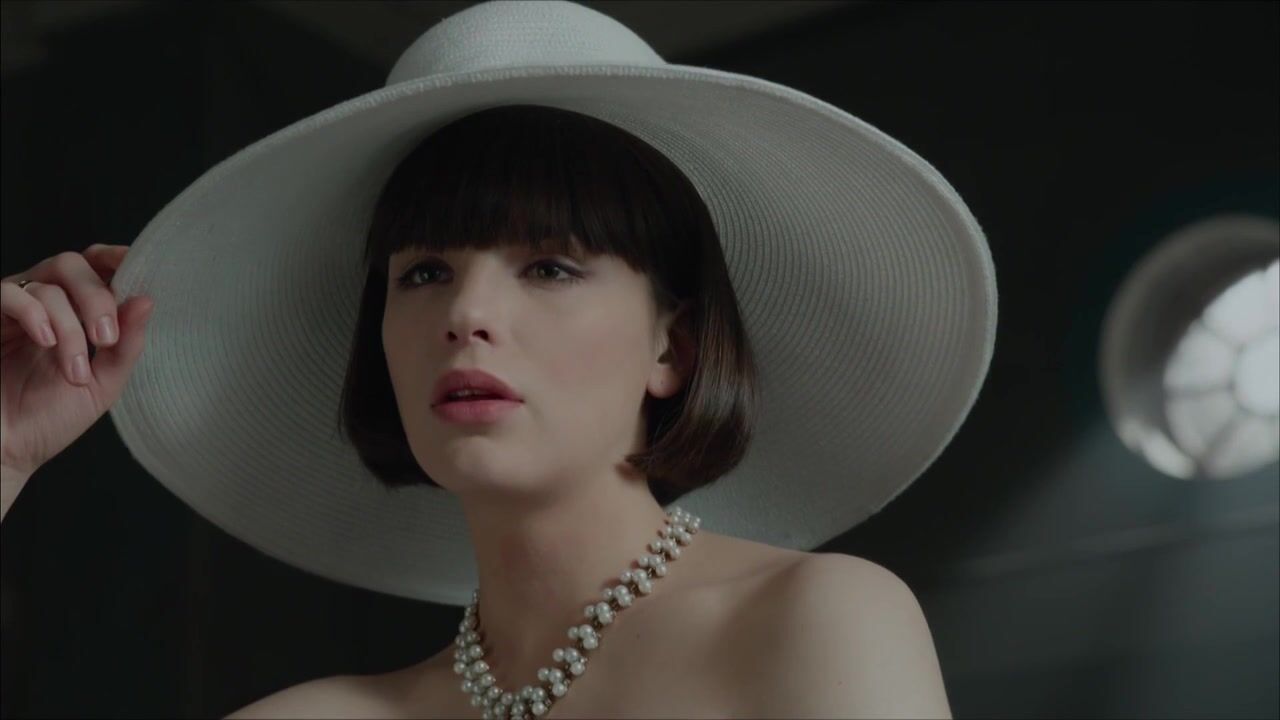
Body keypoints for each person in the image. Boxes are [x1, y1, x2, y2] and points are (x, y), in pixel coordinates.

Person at [2, 2, 997, 718]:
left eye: (550, 267)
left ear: (673, 346)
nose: (467, 314)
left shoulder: (815, 620)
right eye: (425, 271)